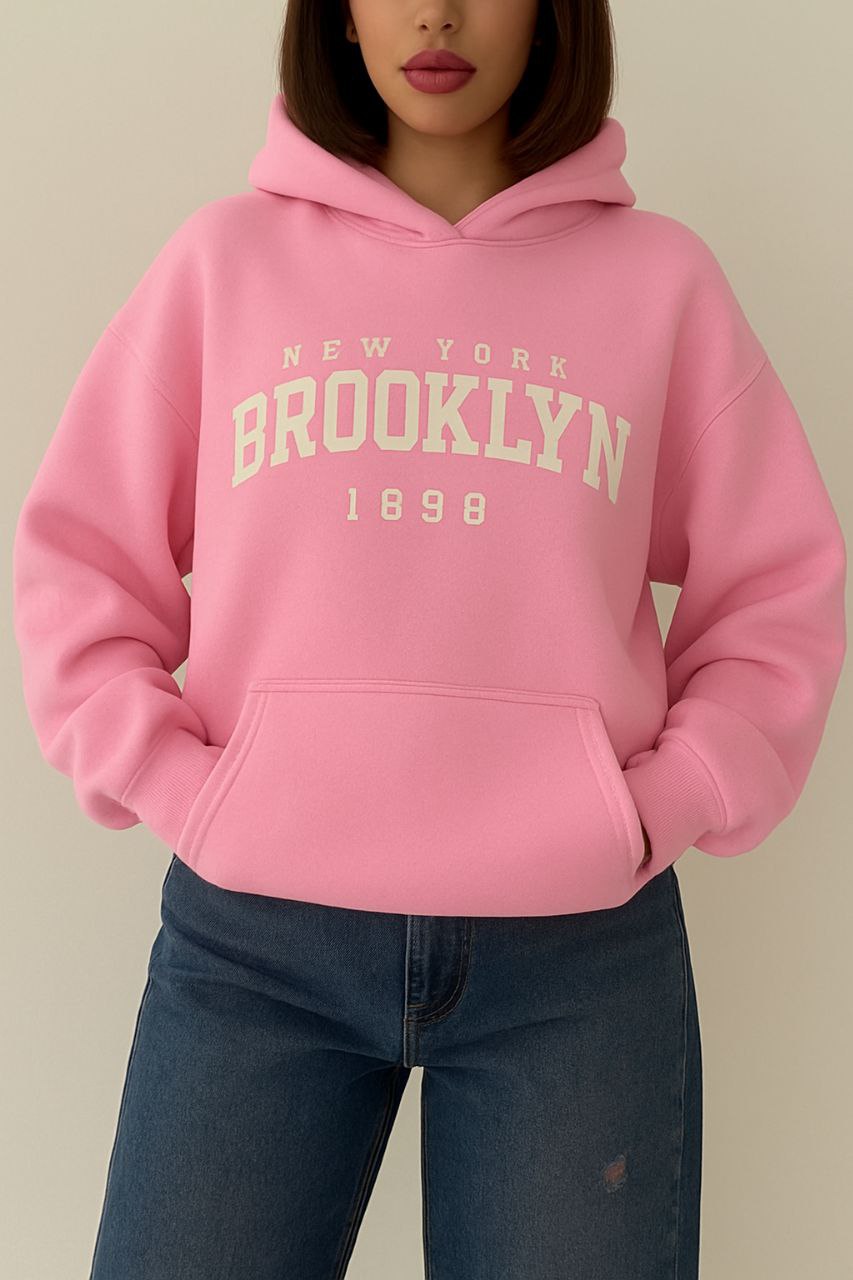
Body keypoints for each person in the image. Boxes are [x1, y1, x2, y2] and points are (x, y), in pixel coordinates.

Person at [12, 2, 846, 1276]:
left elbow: (777, 592)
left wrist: (663, 802)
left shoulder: (661, 285)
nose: (437, 13)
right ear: (338, 18)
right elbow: (81, 562)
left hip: (575, 952)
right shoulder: (224, 267)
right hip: (257, 941)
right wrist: (185, 787)